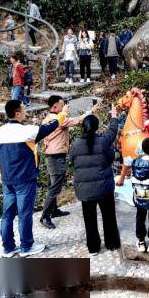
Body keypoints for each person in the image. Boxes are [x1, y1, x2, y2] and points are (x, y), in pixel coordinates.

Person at [0, 100, 67, 258]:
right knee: (24, 214)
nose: (26, 111)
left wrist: (0, 175)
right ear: (18, 114)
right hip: (25, 179)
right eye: (24, 109)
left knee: (7, 215)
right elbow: (49, 128)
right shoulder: (27, 131)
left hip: (7, 180)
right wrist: (62, 115)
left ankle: (8, 248)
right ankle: (26, 246)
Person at [39, 95, 99, 229]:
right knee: (55, 187)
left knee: (52, 184)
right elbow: (76, 121)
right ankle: (45, 216)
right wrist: (91, 112)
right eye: (62, 105)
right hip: (56, 156)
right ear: (55, 106)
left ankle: (53, 210)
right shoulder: (57, 119)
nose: (65, 107)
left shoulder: (49, 118)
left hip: (51, 155)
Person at [69, 108, 121, 255]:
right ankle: (111, 243)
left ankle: (93, 247)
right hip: (104, 187)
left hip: (84, 189)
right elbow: (112, 132)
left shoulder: (76, 144)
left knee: (89, 218)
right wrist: (114, 117)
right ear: (97, 127)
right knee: (108, 215)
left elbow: (72, 161)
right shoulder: (103, 141)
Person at [125, 138, 149, 254]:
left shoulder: (135, 162)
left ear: (142, 149)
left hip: (139, 195)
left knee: (140, 217)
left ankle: (141, 241)